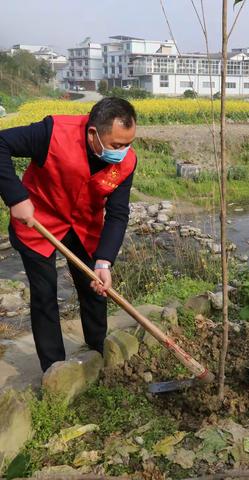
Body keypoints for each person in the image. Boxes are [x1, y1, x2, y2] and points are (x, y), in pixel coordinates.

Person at [0, 97, 137, 372]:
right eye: (116, 145)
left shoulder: (126, 162)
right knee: (44, 294)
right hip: (38, 222)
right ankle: (56, 370)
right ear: (93, 133)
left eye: (128, 144)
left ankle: (97, 354)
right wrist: (16, 198)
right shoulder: (52, 133)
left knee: (96, 288)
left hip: (84, 227)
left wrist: (104, 262)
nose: (122, 151)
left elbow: (118, 213)